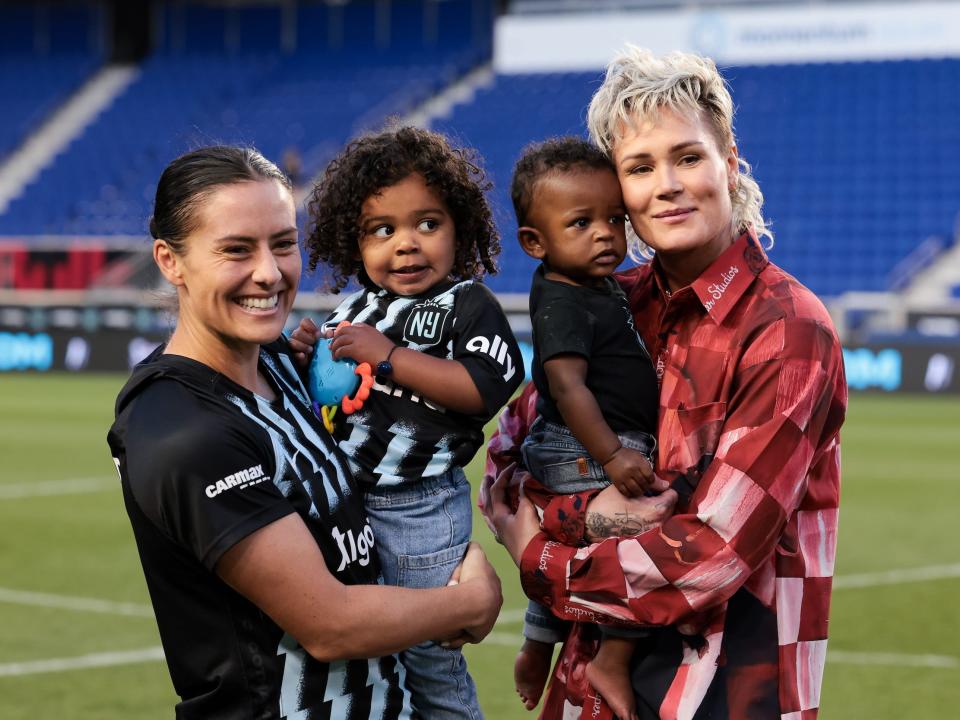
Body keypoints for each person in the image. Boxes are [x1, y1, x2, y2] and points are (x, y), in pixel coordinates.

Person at [482, 46, 847, 719]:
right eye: (640, 167)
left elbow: (710, 554)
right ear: (616, 190)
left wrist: (543, 550)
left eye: (688, 157)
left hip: (726, 696)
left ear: (729, 163)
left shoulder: (790, 331)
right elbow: (506, 459)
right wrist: (587, 517)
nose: (668, 184)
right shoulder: (606, 305)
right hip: (584, 695)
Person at [107, 145, 503, 720]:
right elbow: (330, 625)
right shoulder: (180, 426)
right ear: (170, 261)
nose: (268, 272)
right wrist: (471, 601)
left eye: (283, 243)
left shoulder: (278, 363)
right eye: (236, 250)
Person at [289, 126, 524, 719]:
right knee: (367, 660)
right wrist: (307, 362)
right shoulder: (356, 310)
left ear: (458, 227)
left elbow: (483, 389)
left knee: (430, 661)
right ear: (354, 241)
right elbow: (331, 398)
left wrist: (387, 356)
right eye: (382, 230)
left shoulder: (467, 305)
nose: (406, 245)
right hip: (346, 502)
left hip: (416, 507)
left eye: (427, 224)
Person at [508, 137, 664, 720]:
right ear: (535, 242)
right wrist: (614, 456)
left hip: (594, 444)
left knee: (573, 550)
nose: (605, 233)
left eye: (614, 219)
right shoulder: (563, 301)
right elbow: (568, 388)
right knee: (643, 535)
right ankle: (614, 658)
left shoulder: (591, 287)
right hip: (585, 447)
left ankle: (537, 642)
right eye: (581, 223)